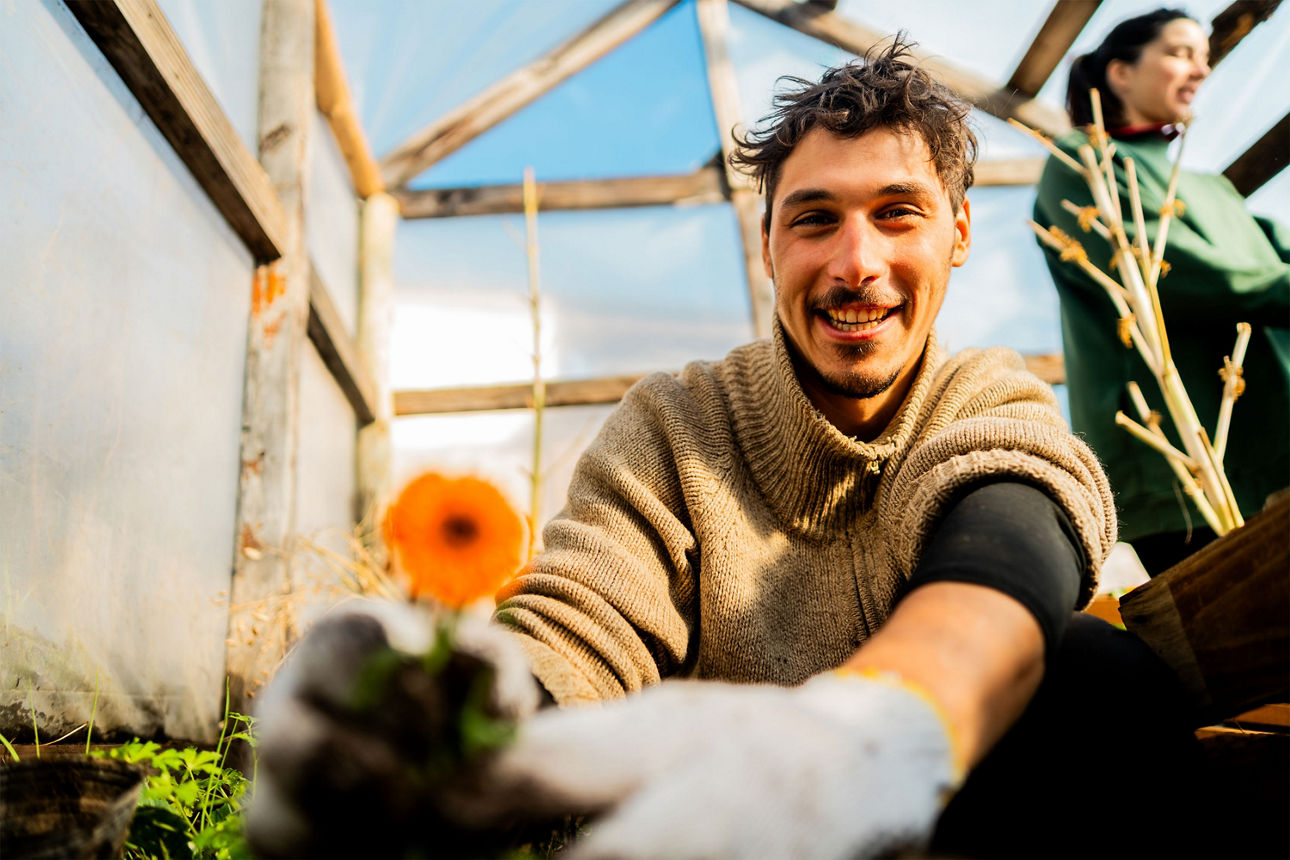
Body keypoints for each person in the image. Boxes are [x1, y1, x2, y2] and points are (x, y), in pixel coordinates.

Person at [249, 41, 1210, 860]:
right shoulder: (678, 426)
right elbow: (585, 623)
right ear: (768, 245)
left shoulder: (982, 397)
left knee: (1101, 677)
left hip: (952, 818)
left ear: (958, 231)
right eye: (815, 218)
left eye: (897, 213)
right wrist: (462, 709)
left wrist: (880, 727)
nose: (855, 264)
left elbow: (1007, 545)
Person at [1034, 8, 1290, 575]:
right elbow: (1177, 273)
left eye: (1204, 56)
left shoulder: (1213, 191)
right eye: (1179, 53)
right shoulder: (1082, 163)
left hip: (1276, 447)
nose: (1200, 69)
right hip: (1183, 470)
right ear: (1121, 72)